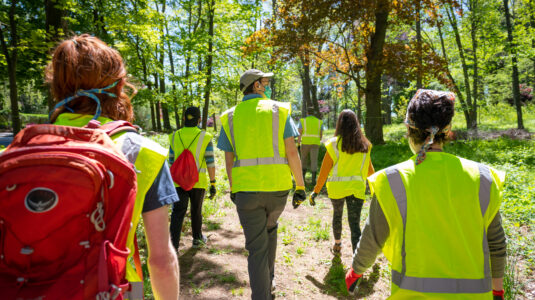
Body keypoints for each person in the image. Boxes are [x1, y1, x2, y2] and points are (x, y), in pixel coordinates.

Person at [47, 34, 180, 300]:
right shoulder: (143, 151)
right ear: (119, 85)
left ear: (57, 87)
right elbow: (161, 262)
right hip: (112, 289)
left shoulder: (25, 147)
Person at [345, 89, 506, 299]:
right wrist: (498, 290)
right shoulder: (483, 177)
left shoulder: (392, 179)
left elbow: (373, 237)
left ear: (409, 129)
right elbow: (496, 243)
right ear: (447, 130)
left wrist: (356, 270)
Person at [217, 69, 306, 300]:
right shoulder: (279, 110)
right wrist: (300, 186)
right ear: (255, 86)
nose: (267, 86)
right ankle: (270, 282)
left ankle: (262, 293)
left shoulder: (229, 116)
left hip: (246, 192)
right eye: (264, 82)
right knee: (270, 229)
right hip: (277, 190)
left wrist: (233, 186)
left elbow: (229, 159)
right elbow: (291, 152)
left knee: (257, 248)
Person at [309, 109, 374, 257]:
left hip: (337, 189)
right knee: (355, 225)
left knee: (337, 216)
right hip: (357, 190)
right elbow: (371, 171)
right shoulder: (365, 146)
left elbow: (324, 171)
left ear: (339, 124)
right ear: (356, 124)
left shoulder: (333, 145)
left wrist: (316, 191)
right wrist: (376, 190)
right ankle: (357, 264)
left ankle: (337, 244)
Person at [168, 106, 216, 249]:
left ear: (184, 118)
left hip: (177, 182)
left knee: (177, 213)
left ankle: (173, 246)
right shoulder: (205, 137)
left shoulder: (175, 136)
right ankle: (197, 238)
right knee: (196, 210)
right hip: (198, 181)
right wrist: (213, 183)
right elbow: (210, 162)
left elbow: (170, 161)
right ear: (199, 119)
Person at [298, 107, 323, 186]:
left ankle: (302, 180)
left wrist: (299, 144)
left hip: (305, 143)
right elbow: (321, 135)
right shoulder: (319, 122)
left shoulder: (302, 121)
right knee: (314, 161)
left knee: (303, 159)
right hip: (315, 143)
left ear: (307, 113)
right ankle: (313, 181)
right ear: (314, 113)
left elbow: (299, 133)